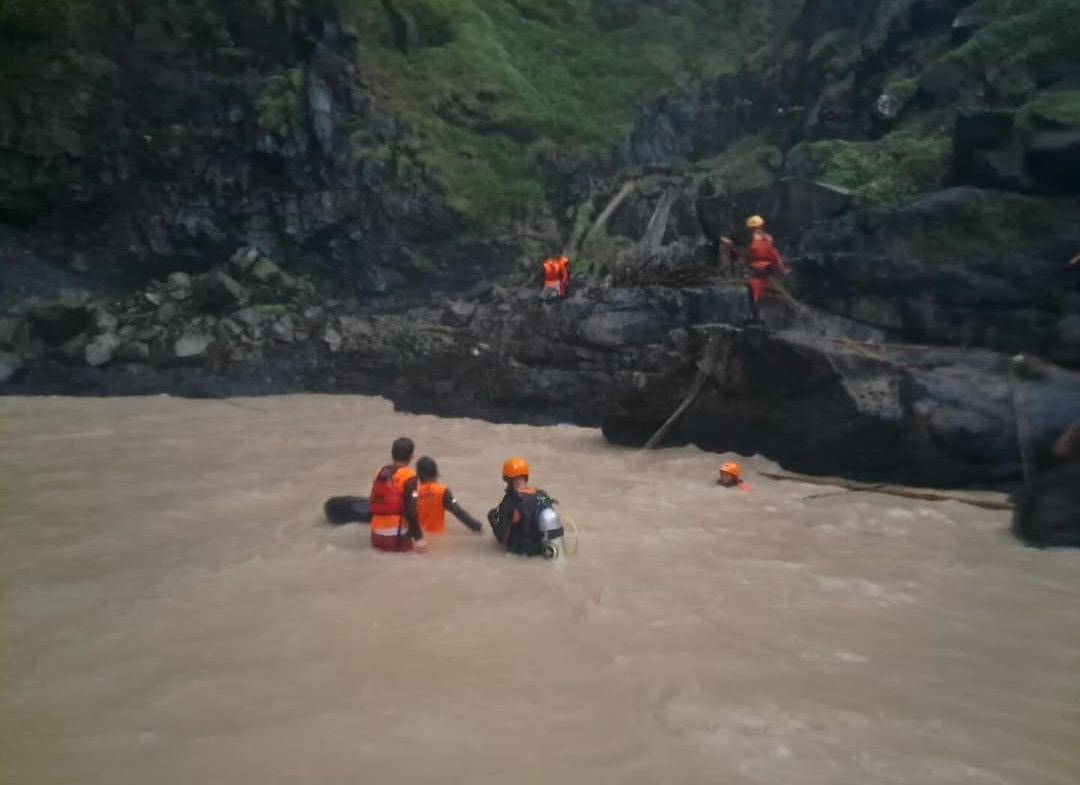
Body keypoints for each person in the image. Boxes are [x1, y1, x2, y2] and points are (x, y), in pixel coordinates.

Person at [487, 457, 565, 559]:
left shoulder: (511, 501)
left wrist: (492, 519)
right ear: (525, 476)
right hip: (546, 551)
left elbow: (501, 537)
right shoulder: (540, 494)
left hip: (523, 553)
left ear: (508, 480)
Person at [721, 215, 787, 325]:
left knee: (752, 293)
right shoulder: (767, 239)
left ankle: (755, 317)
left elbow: (747, 253)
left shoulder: (755, 241)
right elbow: (774, 255)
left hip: (758, 272)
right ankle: (755, 316)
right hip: (762, 270)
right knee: (753, 292)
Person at [368, 437, 428, 553]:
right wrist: (419, 538)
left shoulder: (379, 472)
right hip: (396, 536)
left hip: (375, 534)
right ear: (411, 456)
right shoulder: (409, 476)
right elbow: (411, 510)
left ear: (392, 454)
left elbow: (374, 501)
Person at [415, 456, 485, 536]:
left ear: (417, 475)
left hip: (418, 536)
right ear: (436, 473)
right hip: (438, 536)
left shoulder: (413, 492)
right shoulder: (442, 491)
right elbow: (458, 511)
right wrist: (477, 527)